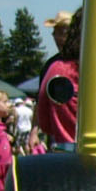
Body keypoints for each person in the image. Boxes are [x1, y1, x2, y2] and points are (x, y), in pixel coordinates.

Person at [32, 8, 80, 152]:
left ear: (71, 33)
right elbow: (41, 103)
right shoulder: (51, 65)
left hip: (65, 144)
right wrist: (34, 131)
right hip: (59, 141)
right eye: (54, 33)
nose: (55, 37)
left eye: (61, 33)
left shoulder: (56, 68)